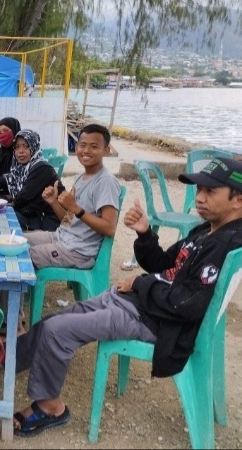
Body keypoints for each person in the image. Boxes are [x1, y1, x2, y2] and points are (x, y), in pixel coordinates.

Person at [12, 156, 242, 437]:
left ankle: (50, 407)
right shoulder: (205, 230)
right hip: (139, 303)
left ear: (238, 200)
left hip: (155, 320)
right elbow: (162, 263)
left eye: (211, 191)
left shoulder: (225, 243)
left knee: (59, 330)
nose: (200, 198)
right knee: (53, 320)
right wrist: (144, 234)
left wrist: (140, 283)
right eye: (199, 189)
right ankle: (6, 360)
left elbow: (186, 304)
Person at [25, 123, 121, 269]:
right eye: (82, 145)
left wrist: (76, 208)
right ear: (76, 148)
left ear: (106, 151)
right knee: (16, 241)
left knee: (23, 256)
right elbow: (67, 220)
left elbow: (109, 228)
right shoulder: (81, 177)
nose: (86, 150)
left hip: (78, 251)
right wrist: (53, 202)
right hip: (60, 237)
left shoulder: (105, 182)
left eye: (94, 147)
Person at [0, 129, 65, 232]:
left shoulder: (42, 168)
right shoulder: (20, 169)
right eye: (17, 147)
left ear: (34, 147)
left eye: (26, 146)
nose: (20, 151)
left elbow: (22, 198)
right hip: (31, 217)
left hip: (48, 223)